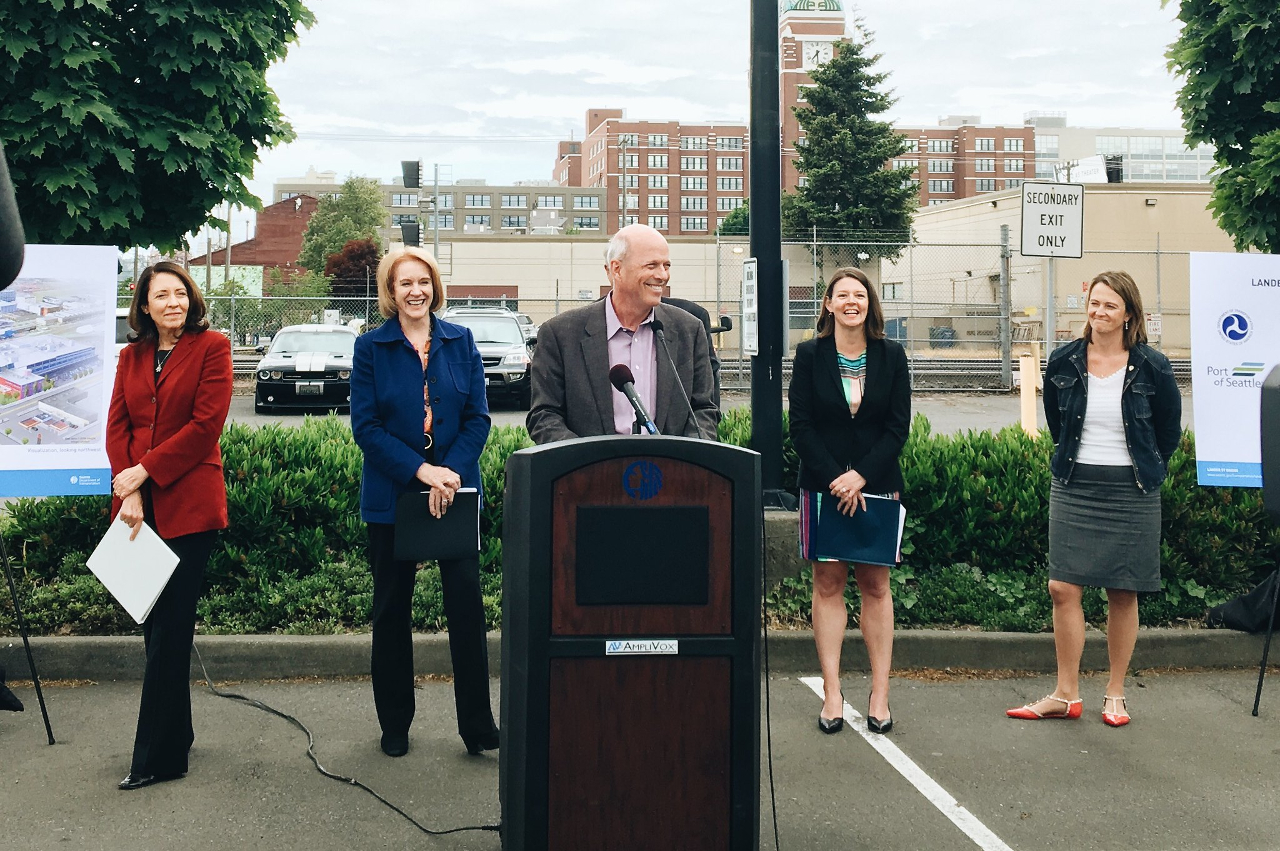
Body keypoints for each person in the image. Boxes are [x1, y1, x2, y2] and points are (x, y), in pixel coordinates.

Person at [1007, 271, 1180, 727]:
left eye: (1110, 306)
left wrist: (1145, 467)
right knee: (1062, 587)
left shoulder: (1153, 366)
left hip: (1133, 489)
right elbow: (1057, 425)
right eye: (1094, 303)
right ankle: (1066, 693)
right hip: (1075, 485)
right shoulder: (1064, 362)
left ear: (1129, 315)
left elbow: (1168, 432)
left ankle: (1116, 692)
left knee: (1123, 591)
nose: (1099, 312)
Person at [350, 246, 499, 757]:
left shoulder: (462, 341)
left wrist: (449, 473)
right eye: (404, 283)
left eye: (424, 281)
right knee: (392, 610)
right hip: (394, 495)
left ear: (435, 286)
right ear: (390, 293)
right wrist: (422, 471)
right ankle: (395, 723)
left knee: (466, 607)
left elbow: (479, 417)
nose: (416, 291)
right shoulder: (371, 349)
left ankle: (477, 725)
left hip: (455, 493)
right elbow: (366, 429)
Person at [107, 261, 232, 790]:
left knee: (171, 630)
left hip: (189, 507)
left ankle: (155, 758)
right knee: (152, 628)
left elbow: (206, 427)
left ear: (192, 299)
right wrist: (130, 486)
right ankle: (176, 733)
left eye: (180, 293)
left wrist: (146, 470)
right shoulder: (130, 356)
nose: (173, 303)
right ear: (144, 305)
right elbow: (117, 426)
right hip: (137, 508)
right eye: (162, 295)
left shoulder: (214, 347)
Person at [789, 267, 911, 735]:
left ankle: (879, 692)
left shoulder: (892, 355)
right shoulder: (809, 355)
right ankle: (833, 691)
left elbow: (897, 426)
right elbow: (801, 426)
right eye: (842, 295)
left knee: (876, 585)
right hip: (823, 485)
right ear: (828, 304)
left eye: (859, 294)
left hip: (878, 483)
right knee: (828, 583)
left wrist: (861, 476)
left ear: (869, 303)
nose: (851, 302)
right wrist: (838, 478)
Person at [526, 223, 718, 444]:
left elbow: (704, 410)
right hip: (590, 472)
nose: (663, 275)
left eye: (666, 265)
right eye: (651, 265)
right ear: (616, 269)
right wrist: (585, 463)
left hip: (669, 472)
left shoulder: (689, 330)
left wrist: (684, 460)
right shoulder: (560, 334)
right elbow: (544, 416)